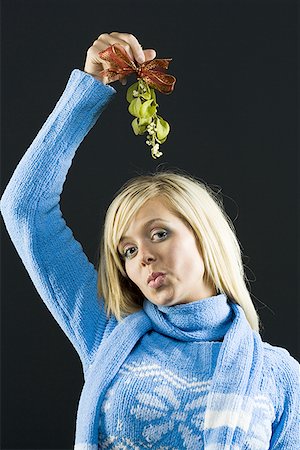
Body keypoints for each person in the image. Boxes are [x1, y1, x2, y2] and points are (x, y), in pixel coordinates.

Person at [1, 31, 299, 450]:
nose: (144, 257)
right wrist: (90, 89)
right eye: (128, 250)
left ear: (204, 236)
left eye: (159, 233)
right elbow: (25, 210)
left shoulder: (278, 375)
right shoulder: (108, 334)